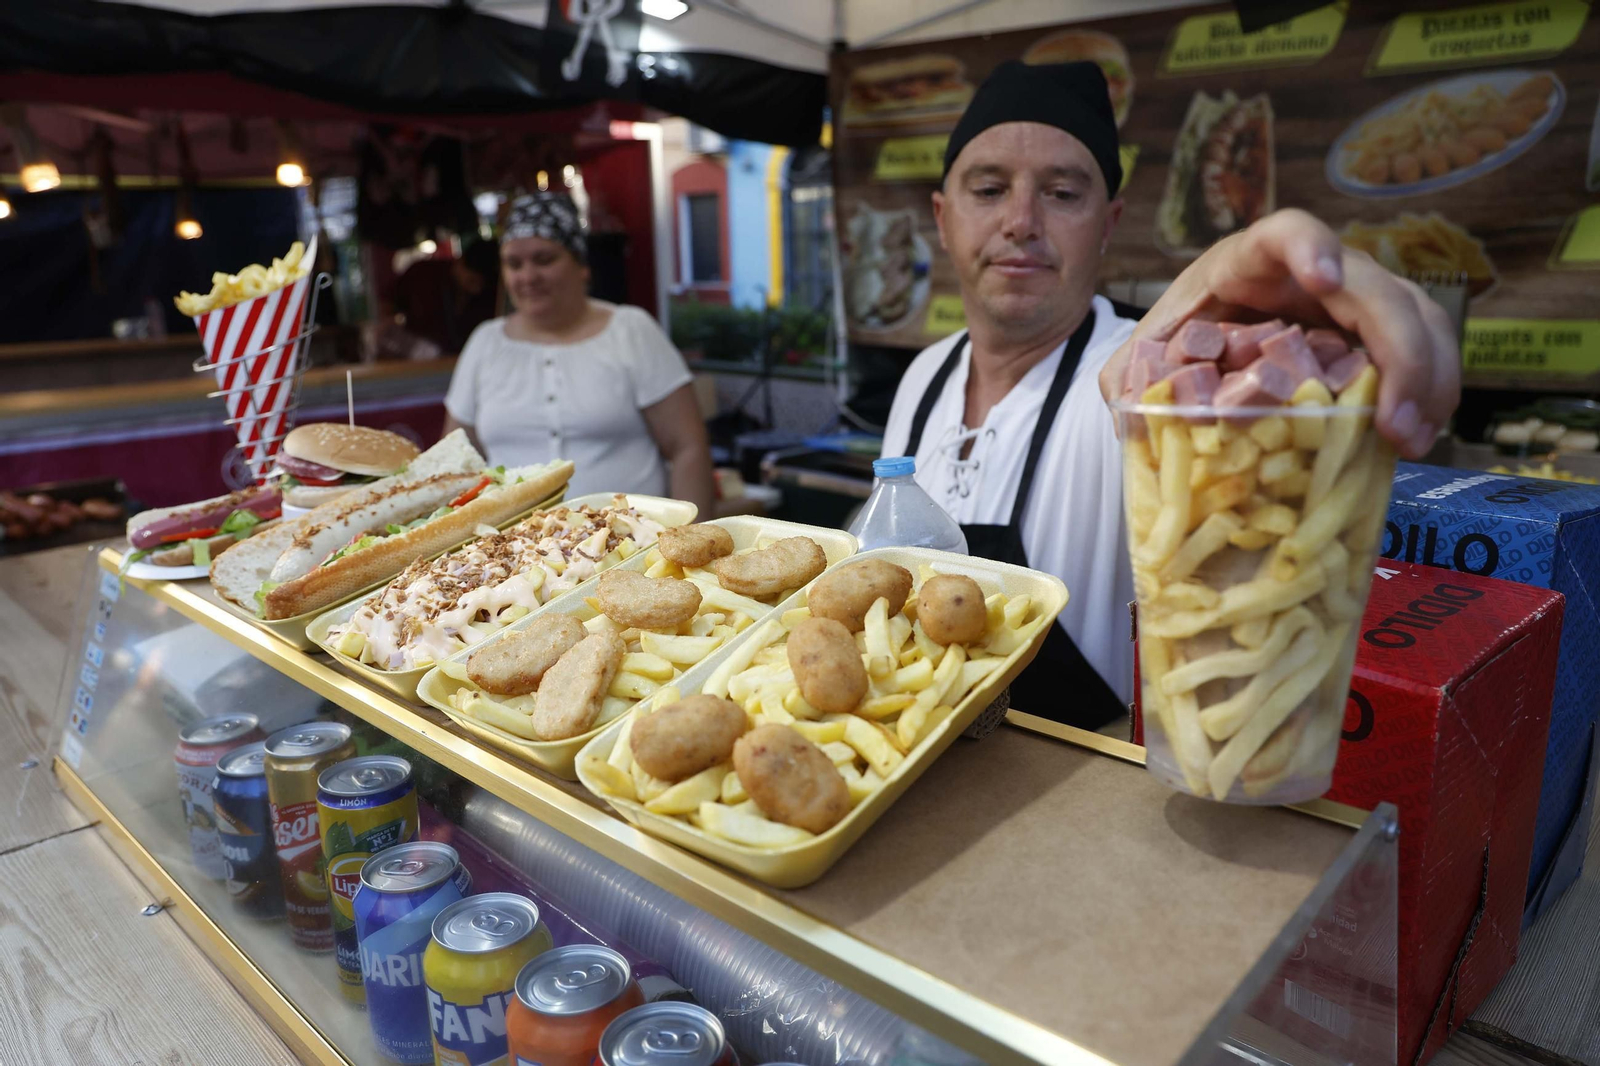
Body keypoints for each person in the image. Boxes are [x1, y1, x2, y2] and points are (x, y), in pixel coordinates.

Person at [880, 61, 1458, 729]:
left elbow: (1264, 549)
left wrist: (1298, 331)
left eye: (1062, 193)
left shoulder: (1143, 381)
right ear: (942, 217)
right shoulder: (922, 377)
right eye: (988, 189)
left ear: (1109, 223)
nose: (1021, 220)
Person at [443, 193, 716, 514]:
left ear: (581, 265)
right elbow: (455, 465)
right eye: (514, 264)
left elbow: (687, 447)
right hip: (510, 543)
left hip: (634, 538)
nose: (528, 277)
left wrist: (692, 534)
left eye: (544, 259)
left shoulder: (631, 331)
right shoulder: (485, 343)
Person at [393, 238, 502, 355]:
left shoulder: (491, 296)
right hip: (414, 360)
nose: (477, 289)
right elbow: (388, 305)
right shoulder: (422, 275)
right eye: (472, 281)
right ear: (460, 263)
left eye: (482, 285)